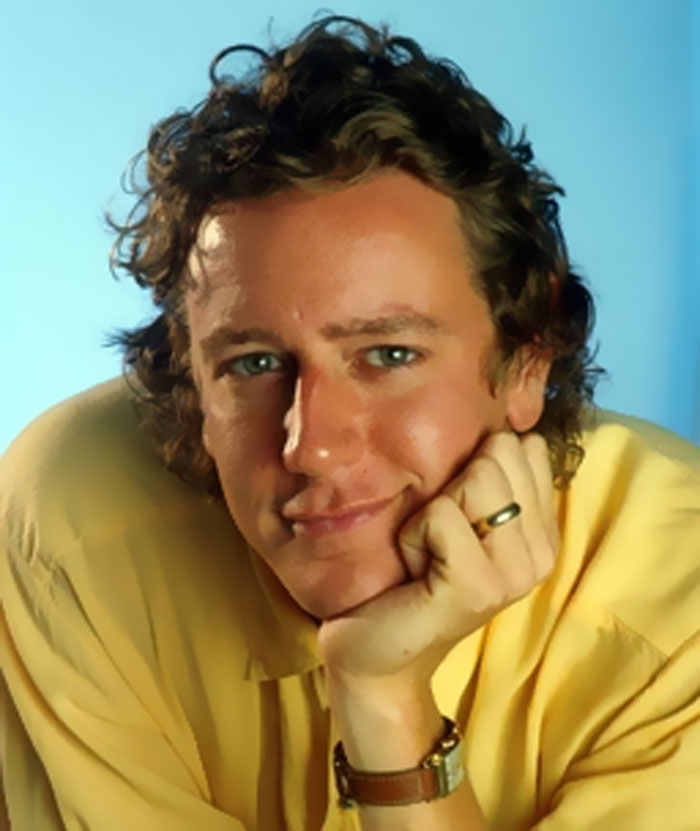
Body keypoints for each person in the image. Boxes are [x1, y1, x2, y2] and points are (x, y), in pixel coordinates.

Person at [1, 15, 698, 831]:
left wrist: (386, 701)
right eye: (253, 363)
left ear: (527, 360)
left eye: (388, 354)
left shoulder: (679, 595)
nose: (313, 447)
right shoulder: (73, 531)